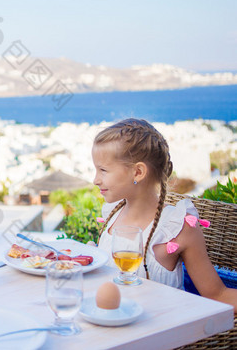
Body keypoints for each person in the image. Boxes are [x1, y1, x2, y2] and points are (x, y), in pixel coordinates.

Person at [94, 118, 237, 312]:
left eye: (103, 170)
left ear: (137, 172)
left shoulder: (177, 228)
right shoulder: (112, 215)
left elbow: (217, 294)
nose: (95, 180)